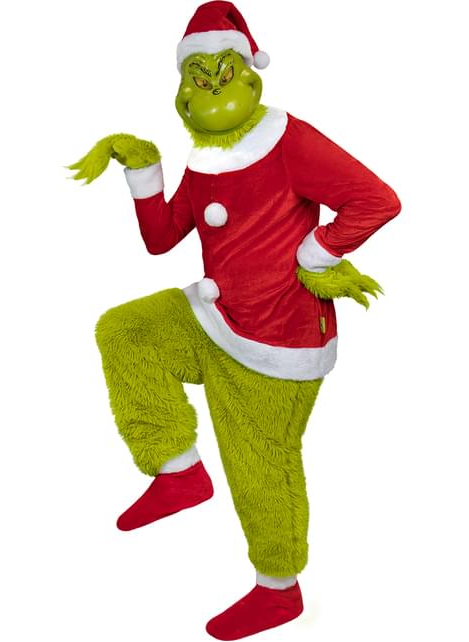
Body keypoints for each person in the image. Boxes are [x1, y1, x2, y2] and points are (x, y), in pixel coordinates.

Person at [68, 2, 401, 639]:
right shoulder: (207, 156)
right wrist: (143, 170)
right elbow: (163, 239)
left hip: (277, 336)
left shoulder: (290, 140)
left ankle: (279, 591)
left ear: (248, 72)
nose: (210, 86)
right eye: (197, 75)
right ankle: (179, 472)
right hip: (215, 314)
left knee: (259, 463)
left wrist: (316, 253)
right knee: (127, 330)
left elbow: (376, 200)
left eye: (221, 71)